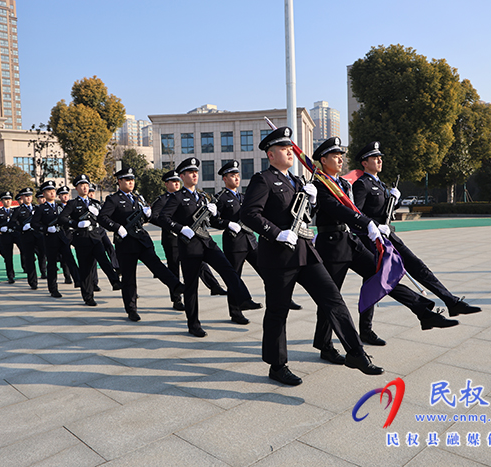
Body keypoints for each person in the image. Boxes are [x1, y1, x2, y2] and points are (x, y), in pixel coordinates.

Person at [240, 127, 383, 386]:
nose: (290, 151)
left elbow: (305, 215)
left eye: (290, 147)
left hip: (307, 252)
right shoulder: (263, 180)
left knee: (333, 299)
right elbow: (248, 214)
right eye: (284, 149)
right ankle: (277, 365)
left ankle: (356, 353)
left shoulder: (296, 182)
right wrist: (276, 233)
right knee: (278, 312)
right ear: (271, 155)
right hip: (278, 256)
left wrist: (313, 201)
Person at [311, 137, 458, 353]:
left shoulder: (342, 184)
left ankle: (424, 312)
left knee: (384, 277)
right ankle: (324, 344)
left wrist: (372, 222)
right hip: (331, 245)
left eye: (341, 155)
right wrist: (367, 222)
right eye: (335, 156)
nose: (340, 159)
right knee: (331, 299)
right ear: (323, 160)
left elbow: (354, 211)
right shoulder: (319, 185)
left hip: (350, 241)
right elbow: (339, 210)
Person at [352, 141, 482, 319]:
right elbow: (355, 214)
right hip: (372, 240)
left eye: (380, 157)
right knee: (374, 282)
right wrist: (374, 225)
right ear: (364, 163)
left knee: (417, 266)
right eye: (374, 158)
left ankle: (451, 301)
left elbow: (384, 211)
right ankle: (366, 330)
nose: (379, 160)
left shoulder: (380, 184)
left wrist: (395, 201)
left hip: (389, 236)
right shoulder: (362, 184)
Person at [158, 157, 261, 337]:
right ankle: (193, 323)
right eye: (191, 172)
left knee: (228, 270)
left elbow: (214, 221)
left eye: (196, 172)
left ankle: (244, 299)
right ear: (182, 176)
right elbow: (163, 218)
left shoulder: (203, 196)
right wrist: (181, 229)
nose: (195, 175)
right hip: (189, 246)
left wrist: (217, 217)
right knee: (191, 287)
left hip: (207, 242)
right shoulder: (177, 197)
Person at [97, 167, 185, 321]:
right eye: (127, 180)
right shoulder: (113, 199)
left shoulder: (138, 198)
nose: (131, 182)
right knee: (129, 277)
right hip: (126, 243)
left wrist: (148, 216)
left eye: (132, 179)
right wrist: (117, 228)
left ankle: (176, 287)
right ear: (119, 182)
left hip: (142, 240)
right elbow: (102, 218)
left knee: (157, 265)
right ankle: (131, 309)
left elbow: (143, 219)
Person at [216, 160, 303, 311]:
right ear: (224, 178)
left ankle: (284, 299)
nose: (236, 178)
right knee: (234, 277)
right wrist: (227, 224)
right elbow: (213, 219)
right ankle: (236, 311)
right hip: (234, 243)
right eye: (232, 176)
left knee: (267, 273)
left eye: (237, 175)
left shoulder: (244, 197)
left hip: (251, 240)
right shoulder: (220, 198)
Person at [150, 169, 227, 311]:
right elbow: (154, 217)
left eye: (177, 181)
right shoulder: (163, 200)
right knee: (174, 268)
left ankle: (214, 285)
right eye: (173, 182)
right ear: (166, 184)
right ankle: (177, 299)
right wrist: (174, 227)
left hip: (191, 239)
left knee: (201, 263)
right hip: (172, 238)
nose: (176, 184)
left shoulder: (193, 196)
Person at [58, 174, 121, 306]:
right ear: (76, 187)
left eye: (86, 185)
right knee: (86, 269)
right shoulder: (72, 203)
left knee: (104, 261)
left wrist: (100, 215)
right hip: (82, 239)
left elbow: (106, 217)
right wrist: (76, 224)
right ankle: (88, 296)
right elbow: (62, 218)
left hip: (96, 236)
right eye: (81, 185)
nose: (85, 188)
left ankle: (115, 281)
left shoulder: (95, 203)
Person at [32, 180, 64, 298]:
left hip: (62, 237)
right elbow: (34, 224)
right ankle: (53, 288)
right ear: (44, 194)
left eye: (53, 191)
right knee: (52, 264)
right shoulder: (41, 208)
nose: (52, 193)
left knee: (69, 259)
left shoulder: (60, 206)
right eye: (49, 191)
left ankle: (77, 280)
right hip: (49, 239)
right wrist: (46, 229)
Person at [9, 187, 41, 289]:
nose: (28, 198)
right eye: (26, 196)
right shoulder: (18, 210)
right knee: (29, 259)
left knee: (43, 256)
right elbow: (12, 224)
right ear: (22, 197)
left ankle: (44, 273)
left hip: (38, 236)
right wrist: (22, 228)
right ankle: (33, 281)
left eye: (30, 196)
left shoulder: (37, 208)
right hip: (26, 237)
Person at [0, 191, 20, 284]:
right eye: (6, 200)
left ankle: (27, 269)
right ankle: (10, 275)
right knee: (8, 256)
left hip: (15, 234)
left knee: (24, 252)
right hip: (5, 236)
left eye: (9, 199)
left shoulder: (15, 211)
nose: (8, 201)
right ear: (2, 201)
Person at [56, 185, 80, 287]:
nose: (65, 197)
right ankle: (67, 276)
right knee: (66, 256)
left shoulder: (73, 205)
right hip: (64, 232)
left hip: (74, 232)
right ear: (59, 197)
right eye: (63, 195)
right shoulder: (57, 208)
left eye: (66, 194)